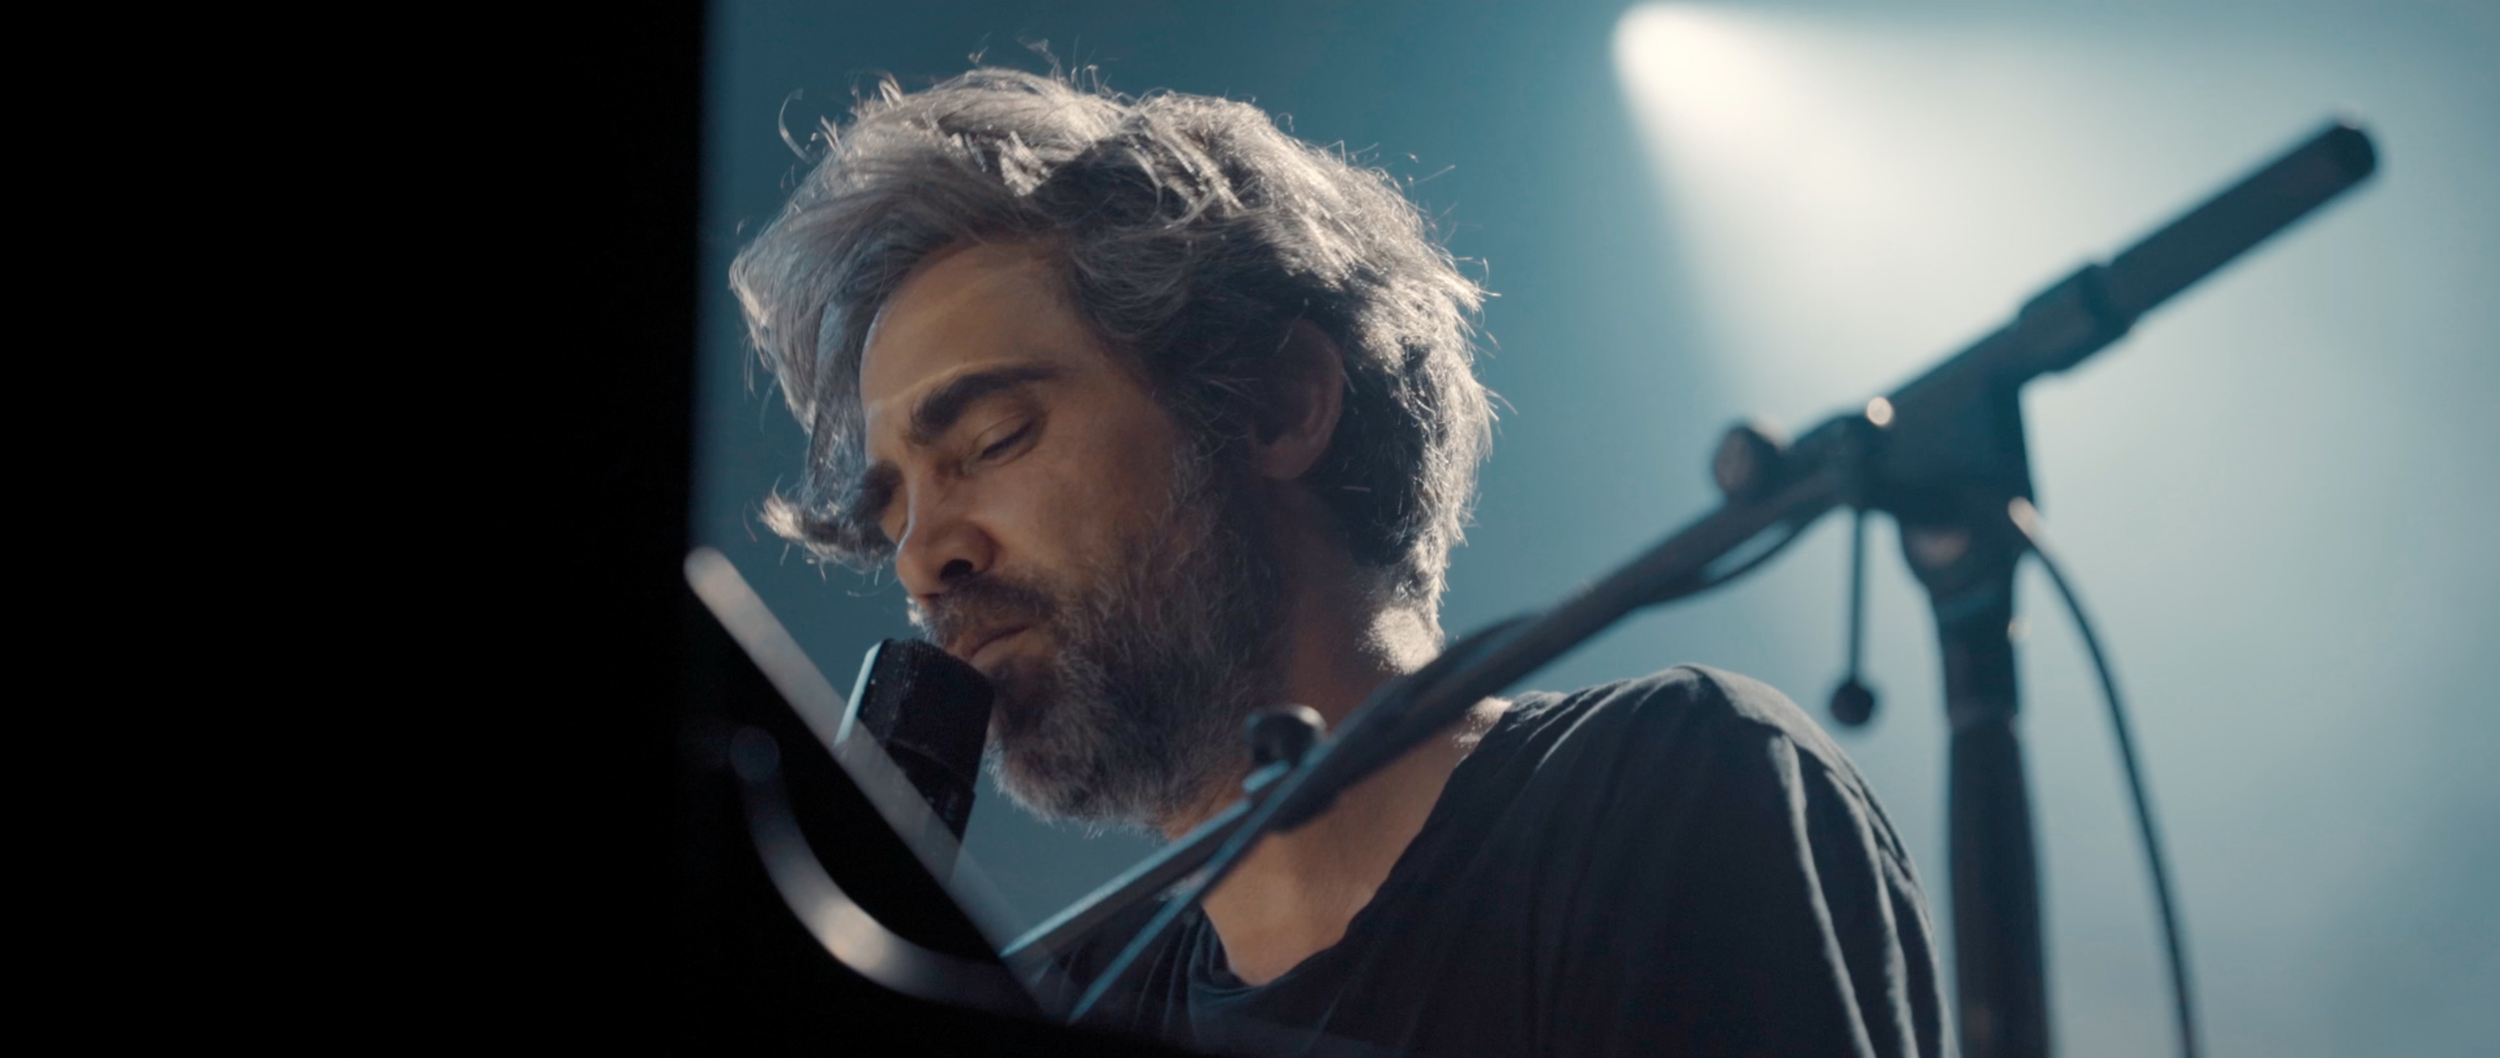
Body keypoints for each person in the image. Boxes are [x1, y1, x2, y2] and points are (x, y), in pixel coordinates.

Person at [731, 68, 1948, 1058]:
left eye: (994, 439)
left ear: (1277, 404)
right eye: (893, 511)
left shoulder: (1664, 787)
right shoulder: (1079, 990)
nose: (924, 558)